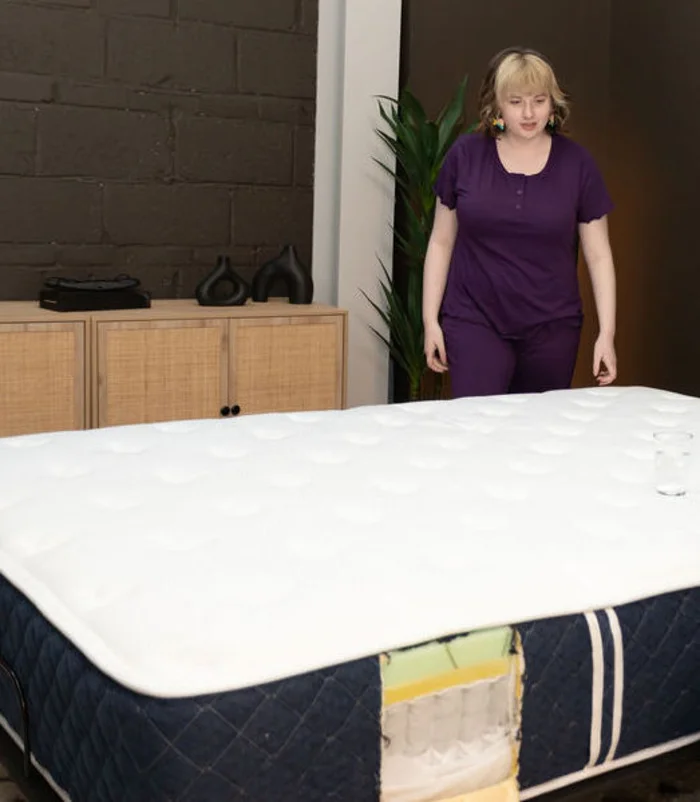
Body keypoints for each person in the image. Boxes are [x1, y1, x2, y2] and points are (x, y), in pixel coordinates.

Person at [422, 46, 617, 397]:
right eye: (515, 102)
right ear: (496, 104)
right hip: (474, 318)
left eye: (539, 101)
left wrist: (607, 334)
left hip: (552, 327)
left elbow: (599, 255)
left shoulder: (578, 165)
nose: (529, 113)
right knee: (477, 428)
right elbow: (441, 241)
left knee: (537, 437)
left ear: (552, 103)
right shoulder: (464, 156)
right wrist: (430, 320)